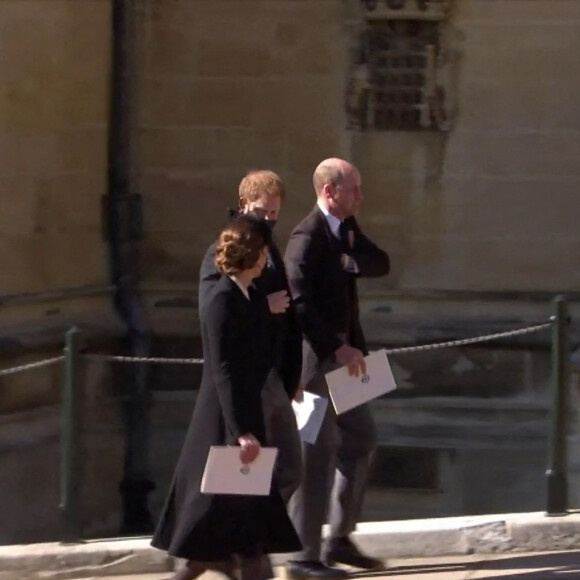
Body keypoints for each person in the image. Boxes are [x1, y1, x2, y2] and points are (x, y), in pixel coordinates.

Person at [152, 216, 301, 580]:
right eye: (263, 253)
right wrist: (241, 431)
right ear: (252, 256)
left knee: (235, 509)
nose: (267, 260)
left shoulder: (245, 294)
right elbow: (223, 368)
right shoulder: (221, 297)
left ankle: (214, 562)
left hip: (245, 408)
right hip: (225, 416)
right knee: (233, 508)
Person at [284, 158, 390, 579]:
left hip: (349, 358)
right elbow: (298, 301)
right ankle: (302, 558)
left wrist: (351, 262)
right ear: (330, 191)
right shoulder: (305, 237)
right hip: (315, 363)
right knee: (314, 452)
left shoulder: (346, 230)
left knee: (363, 438)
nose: (360, 197)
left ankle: (339, 538)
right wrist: (335, 347)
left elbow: (380, 262)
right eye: (354, 190)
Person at [199, 170, 303, 504]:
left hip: (273, 373)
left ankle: (260, 536)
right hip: (248, 380)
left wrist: (293, 374)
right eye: (262, 213)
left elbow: (288, 313)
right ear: (244, 204)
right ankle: (246, 546)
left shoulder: (269, 248)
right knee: (246, 474)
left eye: (275, 213)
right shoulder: (224, 249)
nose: (269, 220)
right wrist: (262, 305)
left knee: (288, 467)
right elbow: (217, 311)